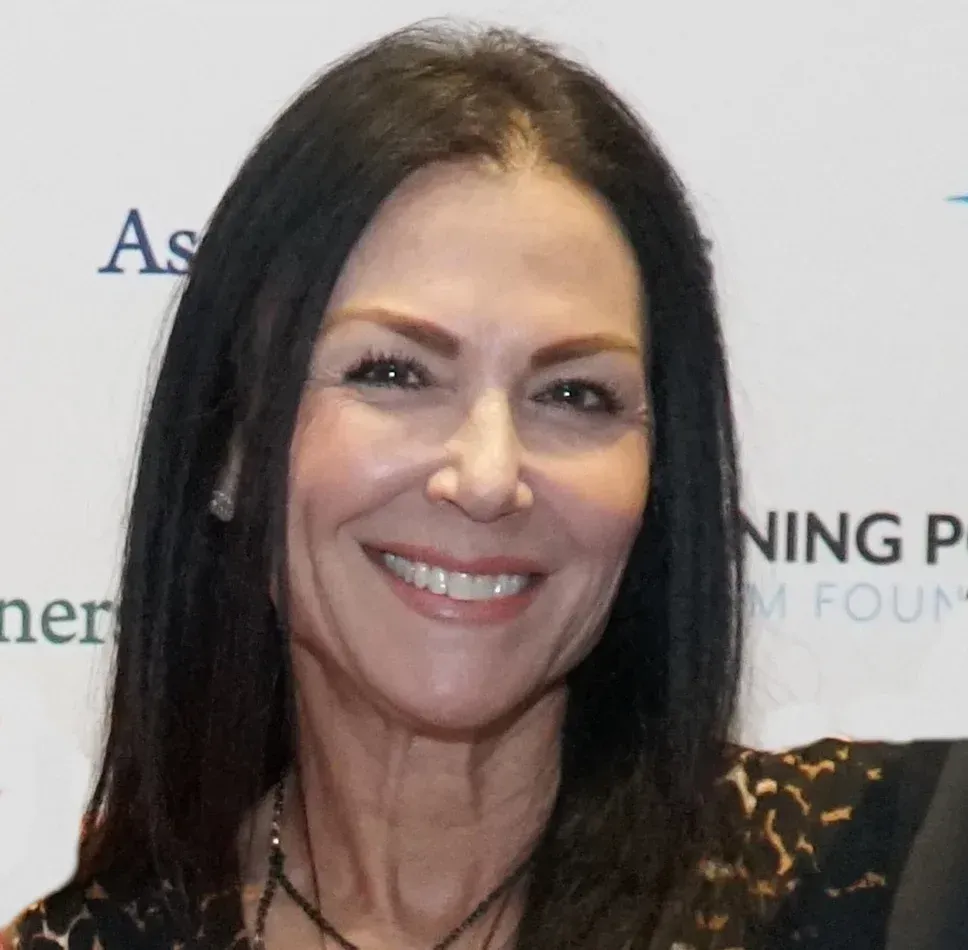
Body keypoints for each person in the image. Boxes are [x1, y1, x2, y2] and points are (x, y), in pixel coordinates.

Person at [5, 22, 902, 950]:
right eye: (392, 374)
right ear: (231, 447)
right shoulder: (93, 939)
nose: (486, 475)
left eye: (573, 393)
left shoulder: (864, 887)